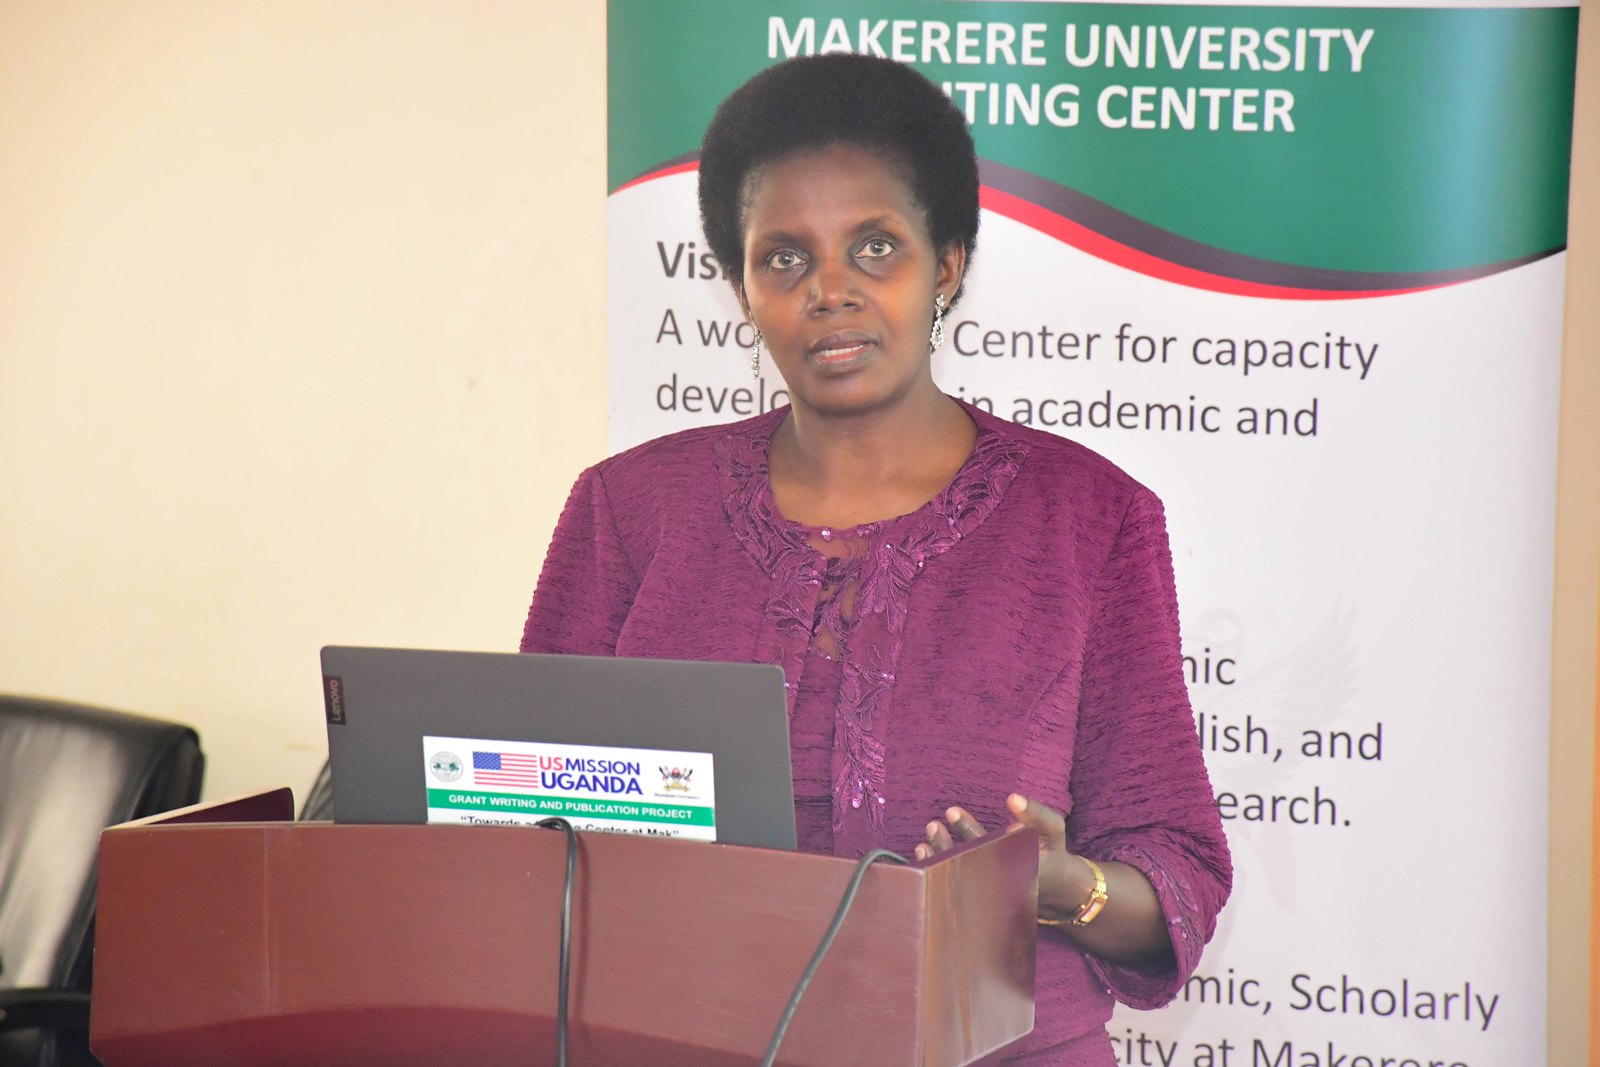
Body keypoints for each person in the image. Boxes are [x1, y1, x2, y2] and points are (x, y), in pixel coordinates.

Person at [520, 53, 1231, 1065]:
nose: (830, 291)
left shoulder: (1089, 518)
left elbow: (1178, 870)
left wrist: (1069, 888)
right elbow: (516, 832)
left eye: (874, 247)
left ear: (946, 263)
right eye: (784, 259)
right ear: (740, 289)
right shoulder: (628, 510)